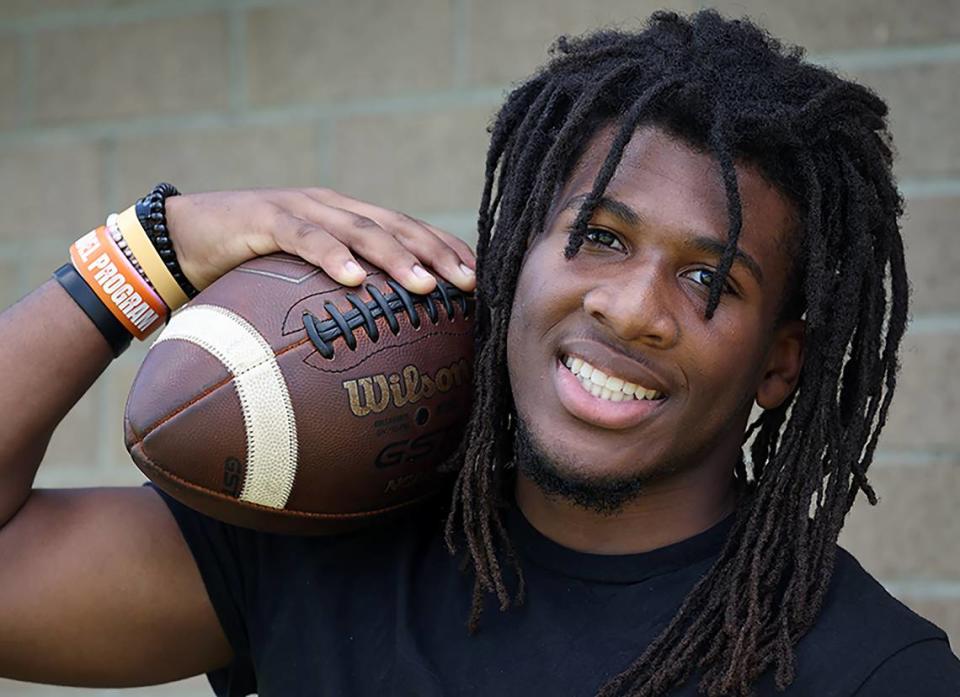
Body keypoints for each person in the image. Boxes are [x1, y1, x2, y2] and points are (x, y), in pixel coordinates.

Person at [0, 9, 957, 697]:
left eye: (711, 279)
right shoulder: (330, 535)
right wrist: (148, 252)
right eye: (602, 235)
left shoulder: (869, 670)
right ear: (515, 256)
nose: (632, 310)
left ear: (782, 360)